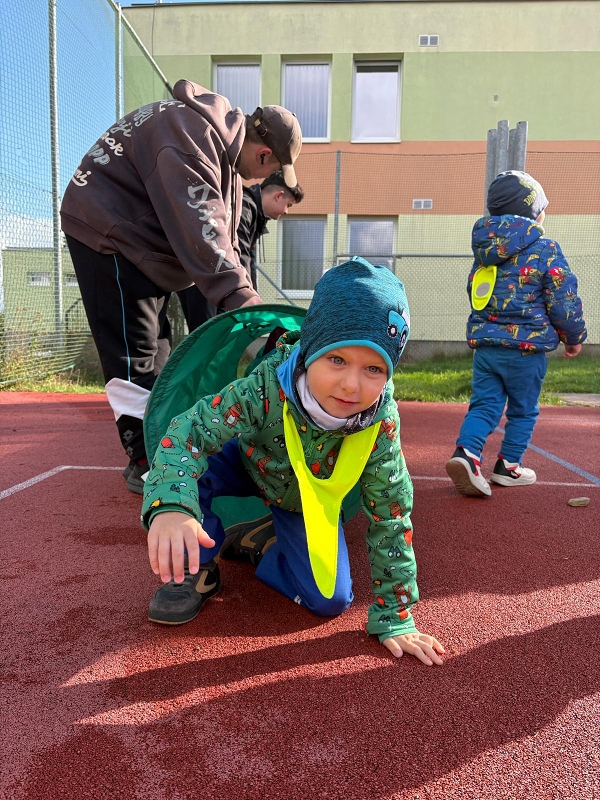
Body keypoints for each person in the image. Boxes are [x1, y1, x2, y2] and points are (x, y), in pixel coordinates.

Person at [141, 257, 445, 666]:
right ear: (312, 350)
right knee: (197, 465)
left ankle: (262, 541)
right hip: (247, 461)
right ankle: (198, 569)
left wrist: (396, 616)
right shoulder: (266, 386)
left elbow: (391, 514)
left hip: (300, 498)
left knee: (329, 602)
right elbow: (186, 432)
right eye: (336, 360)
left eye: (374, 368)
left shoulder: (379, 424)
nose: (352, 385)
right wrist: (172, 506)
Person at [60, 80, 302, 493]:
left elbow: (219, 233)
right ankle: (143, 460)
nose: (263, 179)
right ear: (265, 155)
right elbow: (204, 229)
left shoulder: (219, 153)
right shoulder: (191, 137)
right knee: (133, 350)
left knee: (162, 353)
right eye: (270, 171)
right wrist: (246, 306)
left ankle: (164, 442)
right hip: (109, 232)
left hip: (143, 241)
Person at [446, 170, 587, 497]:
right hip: (527, 349)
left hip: (486, 349)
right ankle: (508, 466)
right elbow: (563, 297)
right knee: (523, 409)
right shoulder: (546, 248)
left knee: (483, 406)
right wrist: (573, 336)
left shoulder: (484, 251)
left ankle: (466, 454)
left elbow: (476, 291)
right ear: (532, 213)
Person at [177, 171, 305, 331]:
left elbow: (249, 261)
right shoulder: (244, 207)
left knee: (218, 330)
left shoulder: (255, 213)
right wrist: (246, 299)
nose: (286, 211)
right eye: (289, 205)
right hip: (205, 274)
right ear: (278, 195)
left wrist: (252, 299)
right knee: (206, 332)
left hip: (219, 277)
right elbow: (239, 256)